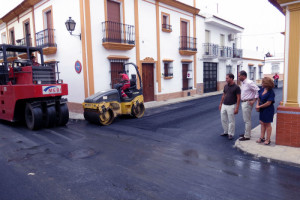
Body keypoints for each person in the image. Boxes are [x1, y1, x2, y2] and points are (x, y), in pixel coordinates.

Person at [238, 70, 260, 141]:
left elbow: (257, 90)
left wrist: (254, 100)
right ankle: (247, 133)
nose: (238, 77)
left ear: (243, 76)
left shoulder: (249, 83)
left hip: (247, 103)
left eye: (239, 76)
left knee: (247, 120)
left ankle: (247, 136)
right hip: (244, 102)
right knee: (246, 119)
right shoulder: (244, 83)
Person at [219, 73, 241, 140]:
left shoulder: (236, 87)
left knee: (231, 121)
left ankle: (230, 134)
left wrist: (237, 108)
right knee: (223, 119)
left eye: (227, 78)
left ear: (231, 78)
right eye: (226, 78)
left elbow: (238, 98)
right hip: (224, 105)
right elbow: (223, 95)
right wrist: (220, 104)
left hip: (231, 106)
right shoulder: (225, 86)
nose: (226, 79)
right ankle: (226, 131)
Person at [255, 77, 275, 145]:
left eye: (263, 82)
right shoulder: (262, 89)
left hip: (268, 109)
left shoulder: (271, 92)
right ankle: (262, 137)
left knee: (267, 124)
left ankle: (268, 139)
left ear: (267, 84)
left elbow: (268, 103)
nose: (261, 83)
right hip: (262, 108)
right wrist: (257, 105)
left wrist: (259, 106)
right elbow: (259, 98)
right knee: (262, 123)